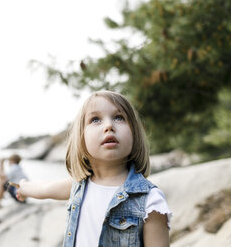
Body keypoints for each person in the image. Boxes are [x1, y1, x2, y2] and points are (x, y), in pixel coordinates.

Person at [16, 91, 172, 247]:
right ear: (81, 138)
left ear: (134, 133)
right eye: (95, 119)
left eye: (119, 117)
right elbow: (44, 189)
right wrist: (23, 188)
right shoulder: (78, 186)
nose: (109, 126)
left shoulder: (150, 200)